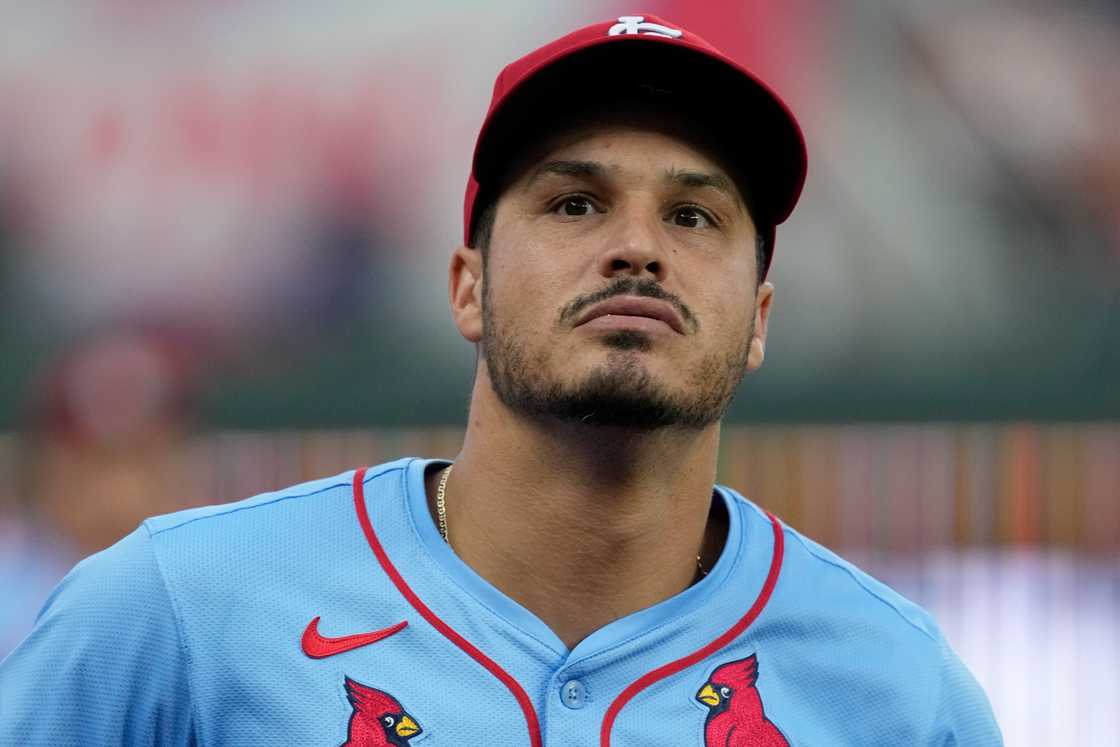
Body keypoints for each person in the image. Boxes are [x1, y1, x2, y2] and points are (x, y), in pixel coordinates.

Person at [0, 14, 1002, 746]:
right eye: (574, 203)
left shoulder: (897, 690)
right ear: (467, 287)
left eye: (694, 216)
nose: (636, 248)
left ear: (759, 322)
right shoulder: (173, 612)